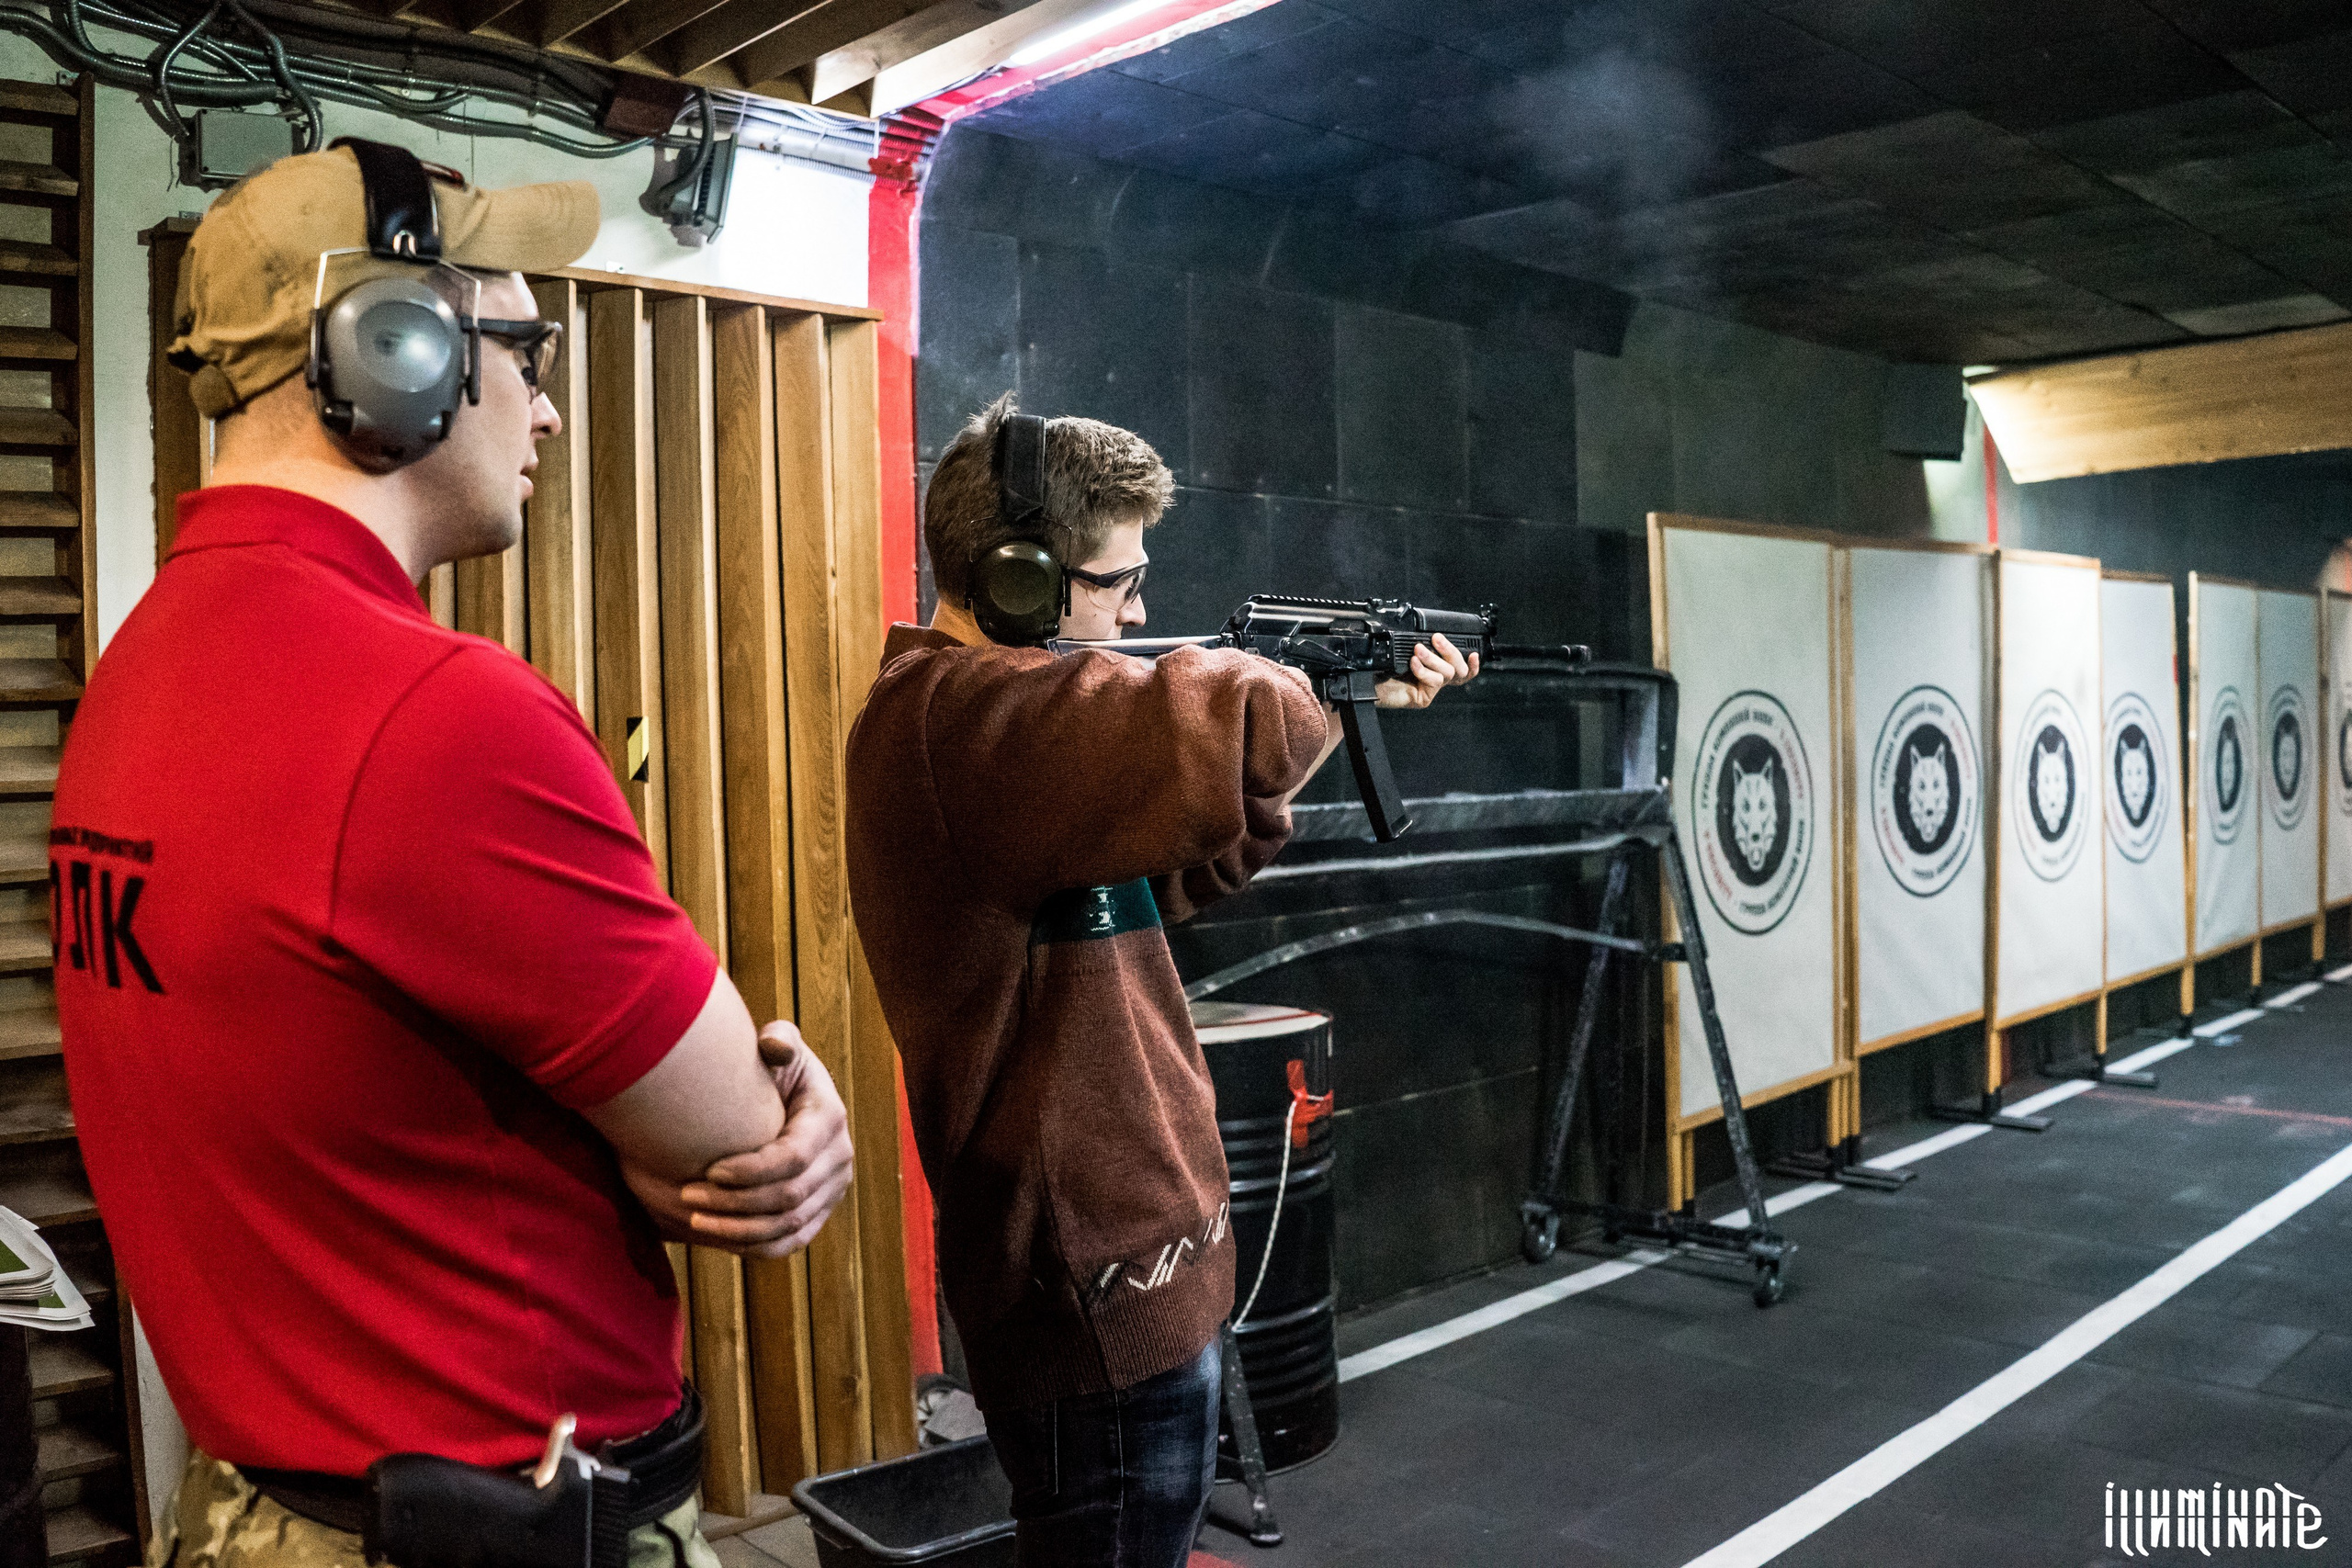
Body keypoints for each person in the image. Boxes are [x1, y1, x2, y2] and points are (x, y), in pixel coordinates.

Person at [52, 143, 852, 1568]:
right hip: (494, 1530)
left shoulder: (142, 665)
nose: (544, 407)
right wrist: (763, 1115)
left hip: (253, 1513)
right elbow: (745, 1144)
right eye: (521, 347)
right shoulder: (437, 712)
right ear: (394, 346)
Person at [844, 395, 1476, 1566]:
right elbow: (1215, 724)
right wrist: (1296, 677)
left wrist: (1339, 697)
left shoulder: (1012, 737)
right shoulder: (953, 717)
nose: (1137, 610)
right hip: (1086, 1296)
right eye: (1114, 583)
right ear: (1017, 576)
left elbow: (1190, 855)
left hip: (1118, 1287)